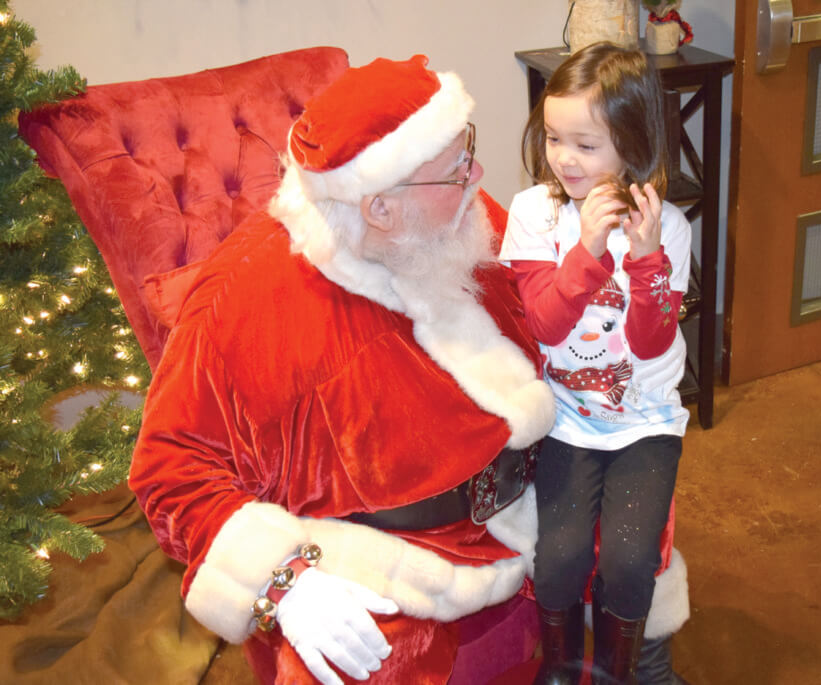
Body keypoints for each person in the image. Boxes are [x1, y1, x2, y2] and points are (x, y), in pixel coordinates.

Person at [127, 54, 562, 685]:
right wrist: (284, 584)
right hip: (389, 559)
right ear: (380, 209)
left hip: (536, 501)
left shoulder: (464, 218)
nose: (480, 177)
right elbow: (171, 468)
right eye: (455, 170)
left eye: (467, 151)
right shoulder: (246, 301)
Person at [499, 42, 692, 685]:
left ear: (633, 146)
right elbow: (545, 325)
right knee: (558, 558)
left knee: (631, 562)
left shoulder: (670, 229)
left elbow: (650, 346)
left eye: (586, 144)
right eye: (555, 138)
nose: (564, 158)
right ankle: (559, 673)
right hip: (568, 419)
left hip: (646, 420)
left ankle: (620, 670)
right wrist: (586, 247)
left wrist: (643, 257)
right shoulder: (535, 213)